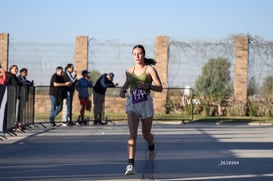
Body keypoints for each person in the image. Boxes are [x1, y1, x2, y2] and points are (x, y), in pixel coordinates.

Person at [119, 44, 163, 175]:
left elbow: (160, 88)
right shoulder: (129, 70)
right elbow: (127, 83)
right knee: (132, 134)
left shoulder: (150, 69)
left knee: (146, 134)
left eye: (139, 53)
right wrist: (122, 90)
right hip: (132, 102)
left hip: (146, 103)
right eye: (134, 54)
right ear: (132, 56)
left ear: (144, 54)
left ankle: (151, 144)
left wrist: (147, 86)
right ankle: (130, 165)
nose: (137, 56)